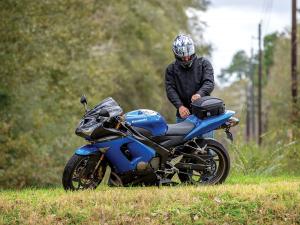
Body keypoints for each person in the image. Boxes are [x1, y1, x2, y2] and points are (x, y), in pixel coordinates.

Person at [165, 34, 215, 137]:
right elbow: (170, 90)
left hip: (204, 114)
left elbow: (209, 82)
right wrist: (180, 106)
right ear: (176, 54)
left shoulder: (204, 64)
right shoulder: (171, 69)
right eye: (183, 57)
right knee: (184, 149)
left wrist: (199, 94)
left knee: (208, 148)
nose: (187, 58)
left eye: (188, 55)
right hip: (183, 115)